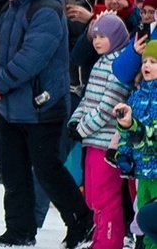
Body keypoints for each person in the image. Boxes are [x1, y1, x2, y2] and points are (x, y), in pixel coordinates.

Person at [0, 0, 94, 248]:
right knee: (14, 174)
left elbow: (33, 56)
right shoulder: (10, 6)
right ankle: (20, 230)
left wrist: (1, 82)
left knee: (47, 170)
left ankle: (81, 221)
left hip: (42, 105)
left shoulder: (46, 8)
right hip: (9, 107)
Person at [68, 13, 132, 249]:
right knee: (93, 197)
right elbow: (87, 99)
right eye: (95, 36)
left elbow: (108, 106)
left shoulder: (118, 66)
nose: (96, 41)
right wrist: (74, 122)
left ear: (115, 37)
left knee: (106, 197)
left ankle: (109, 241)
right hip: (91, 141)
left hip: (106, 142)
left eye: (102, 37)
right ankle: (99, 239)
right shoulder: (100, 62)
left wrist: (83, 128)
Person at [114, 36, 157, 249]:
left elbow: (153, 136)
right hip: (141, 170)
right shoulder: (136, 96)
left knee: (154, 218)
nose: (147, 65)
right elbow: (124, 132)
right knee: (141, 216)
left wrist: (132, 127)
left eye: (154, 62)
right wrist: (123, 154)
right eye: (145, 61)